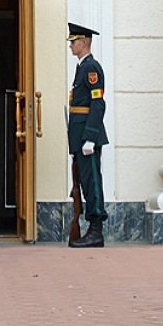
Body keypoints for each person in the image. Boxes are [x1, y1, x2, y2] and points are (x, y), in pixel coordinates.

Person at [67, 21, 108, 248]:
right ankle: (92, 228)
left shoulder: (91, 68)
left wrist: (90, 137)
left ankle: (96, 230)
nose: (71, 46)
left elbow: (97, 104)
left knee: (92, 182)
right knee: (84, 181)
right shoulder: (82, 67)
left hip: (87, 136)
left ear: (83, 43)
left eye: (73, 42)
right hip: (80, 135)